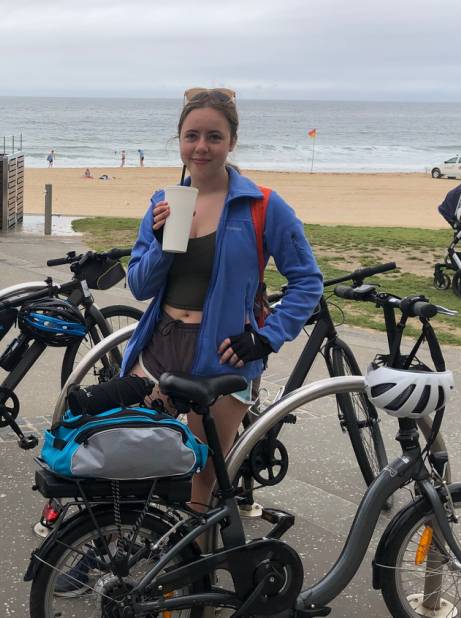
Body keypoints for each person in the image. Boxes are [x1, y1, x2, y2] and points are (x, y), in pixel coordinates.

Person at [123, 87, 322, 516]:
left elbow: (308, 281)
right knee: (129, 452)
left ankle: (193, 567)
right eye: (192, 135)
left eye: (214, 136)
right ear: (179, 140)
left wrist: (267, 339)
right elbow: (138, 287)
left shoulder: (263, 205)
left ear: (231, 141)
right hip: (162, 346)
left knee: (202, 481)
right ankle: (116, 541)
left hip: (223, 356)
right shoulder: (162, 203)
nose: (201, 147)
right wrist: (159, 244)